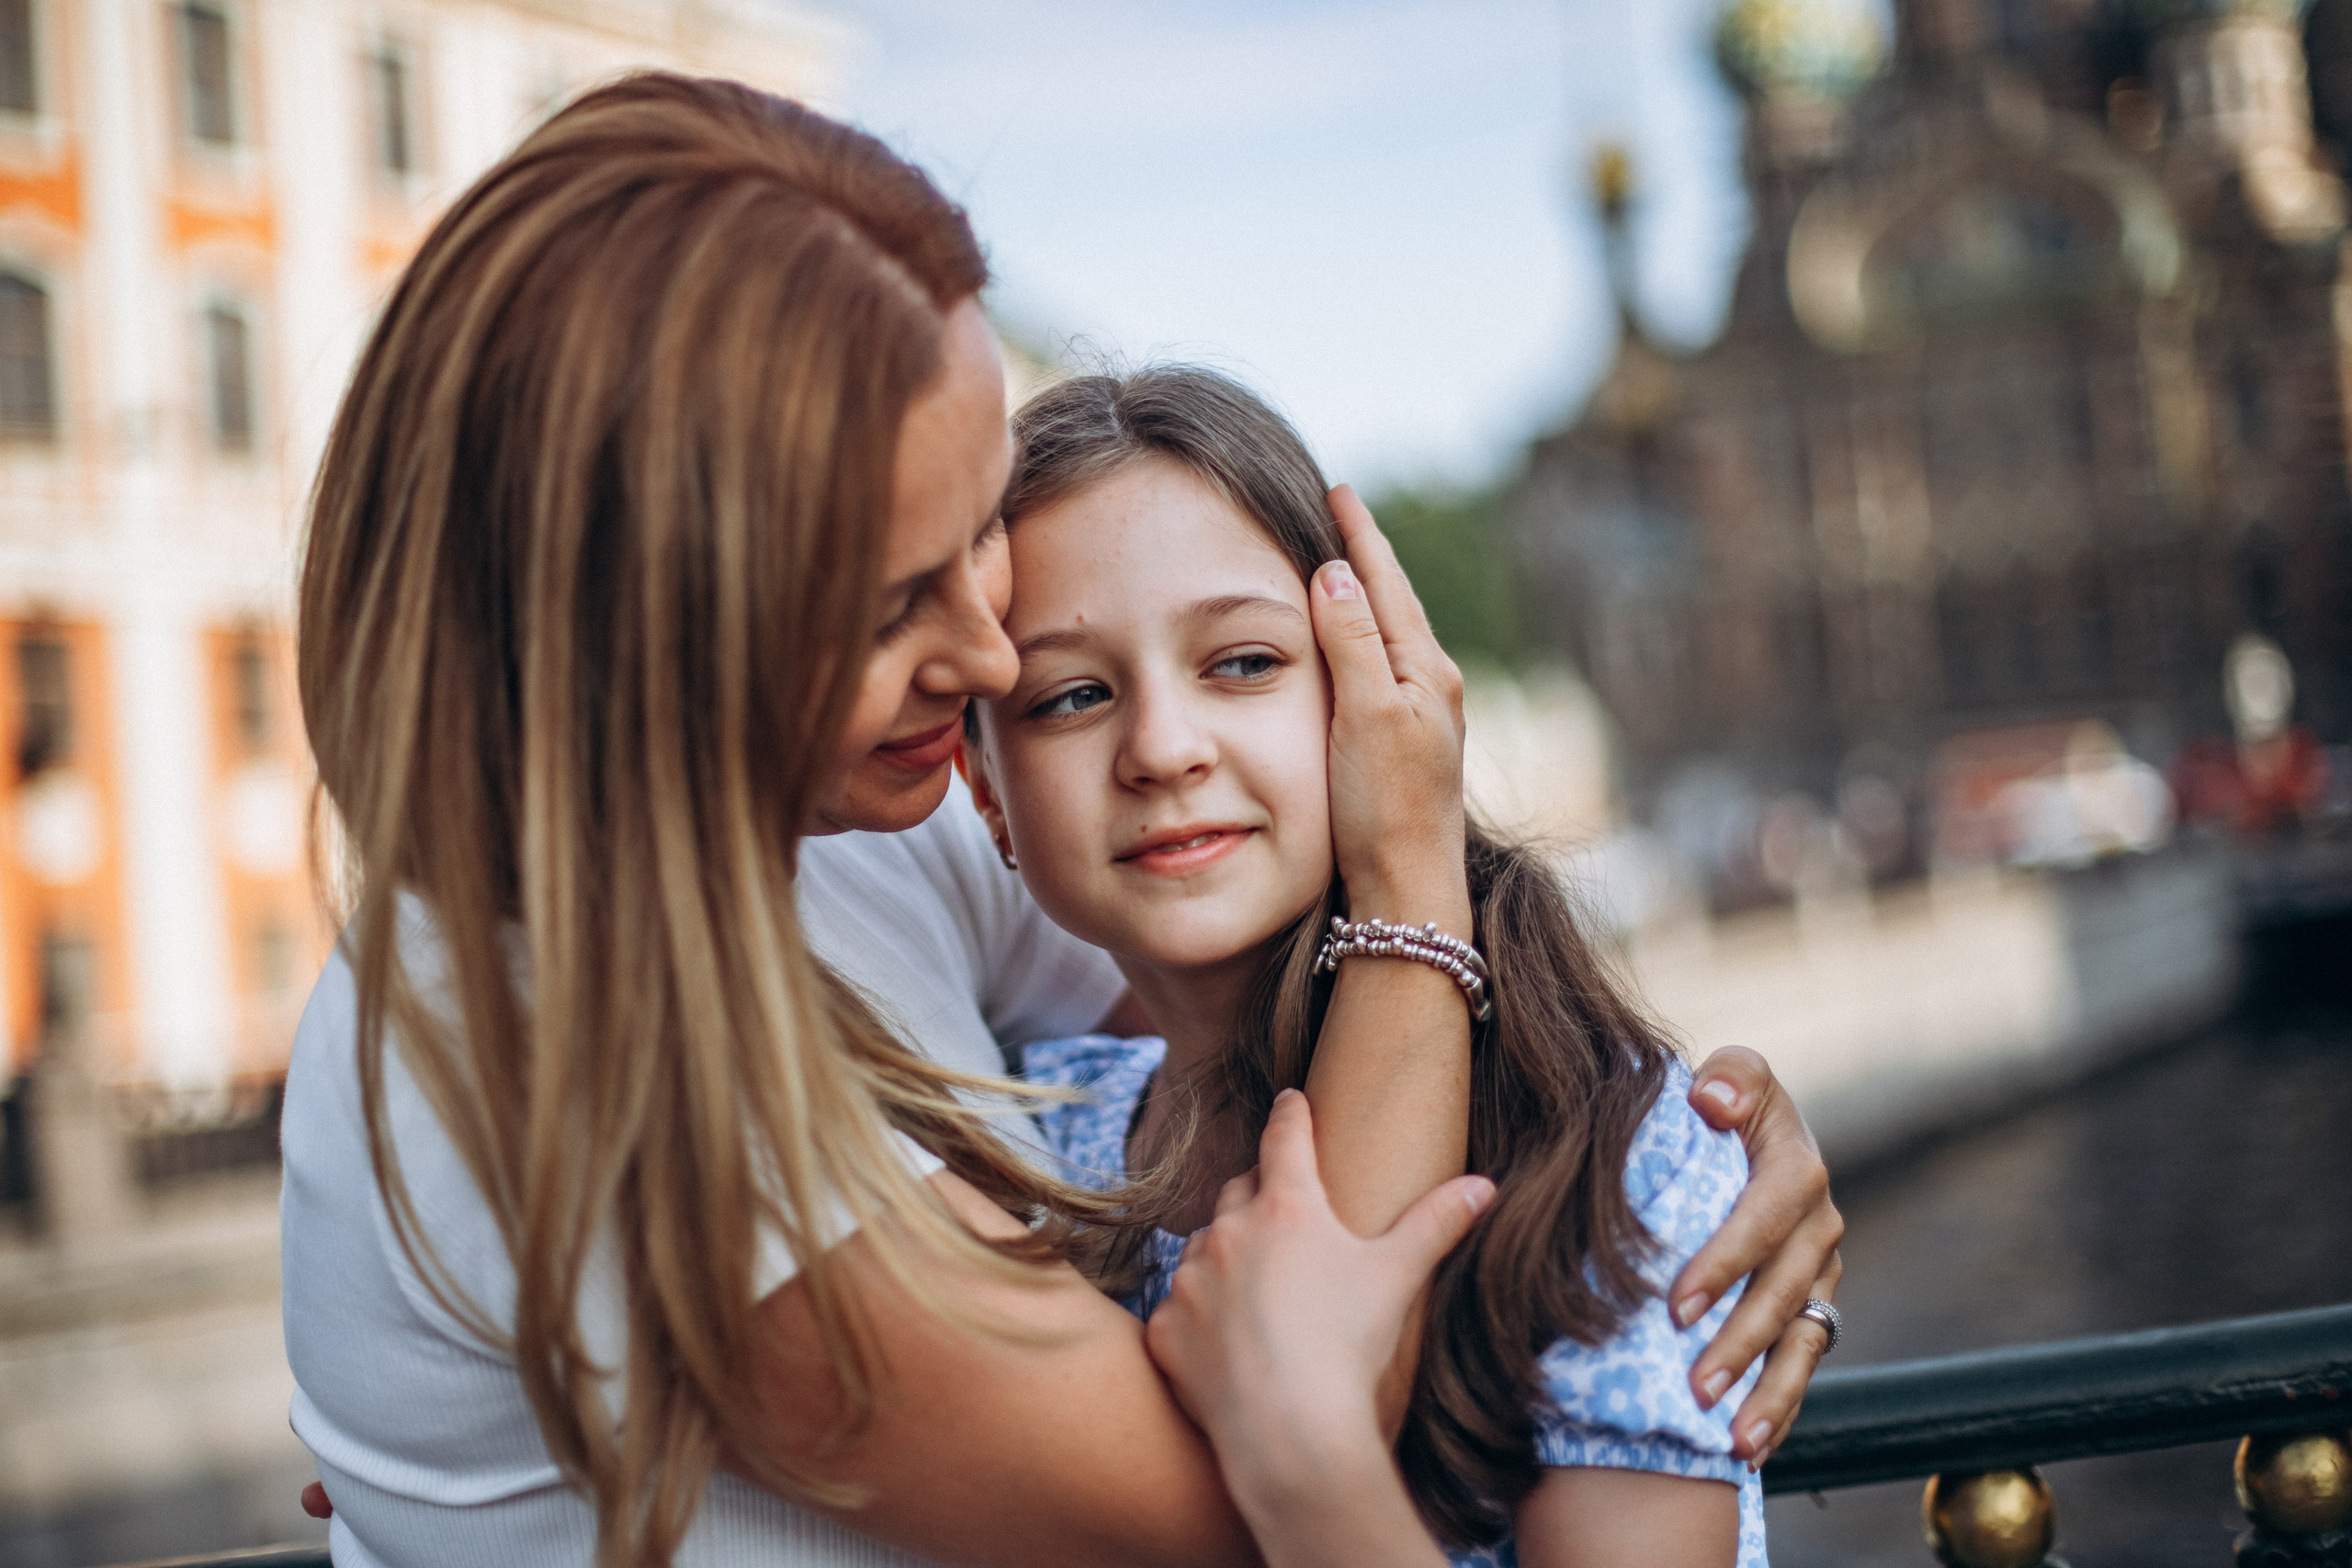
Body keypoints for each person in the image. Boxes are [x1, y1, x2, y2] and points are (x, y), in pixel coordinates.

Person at [280, 73, 1838, 1568]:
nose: (983, 659)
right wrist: (1419, 867)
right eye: (898, 604)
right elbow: (1261, 1481)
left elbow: (1250, 977)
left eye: (979, 550)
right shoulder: (559, 1058)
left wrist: (1647, 1144)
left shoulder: (841, 820)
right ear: (652, 626)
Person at [959, 367, 1843, 1564]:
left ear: (1378, 696)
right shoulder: (1033, 1154)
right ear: (986, 796)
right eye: (1072, 695)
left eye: (1243, 664)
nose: (1163, 747)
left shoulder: (1607, 1159)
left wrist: (1312, 1474)